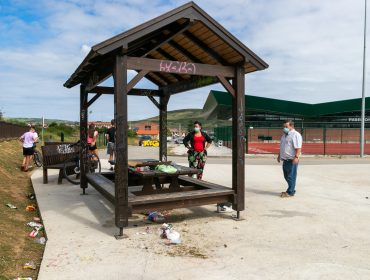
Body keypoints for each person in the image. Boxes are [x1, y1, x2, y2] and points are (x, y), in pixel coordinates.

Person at [277, 120, 302, 197]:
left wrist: (296, 157)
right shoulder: (284, 135)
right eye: (284, 126)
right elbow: (282, 147)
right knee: (286, 176)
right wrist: (279, 155)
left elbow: (298, 148)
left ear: (291, 126)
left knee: (291, 176)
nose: (284, 128)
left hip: (292, 159)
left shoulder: (295, 135)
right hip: (285, 159)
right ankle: (290, 190)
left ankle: (290, 192)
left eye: (286, 126)